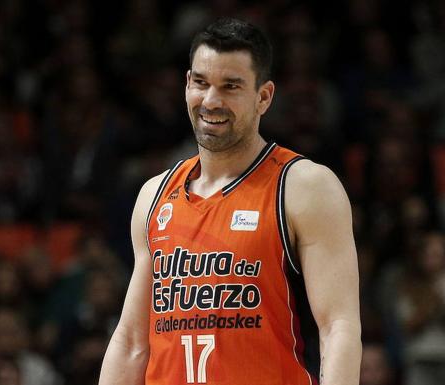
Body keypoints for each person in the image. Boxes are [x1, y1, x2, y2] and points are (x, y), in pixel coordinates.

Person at [99, 18, 361, 385]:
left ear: (264, 97)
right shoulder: (154, 195)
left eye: (230, 86)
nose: (211, 100)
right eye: (201, 83)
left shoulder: (304, 186)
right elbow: (130, 343)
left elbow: (339, 328)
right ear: (187, 84)